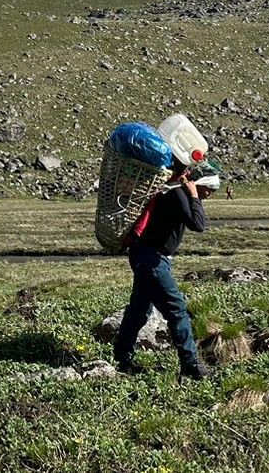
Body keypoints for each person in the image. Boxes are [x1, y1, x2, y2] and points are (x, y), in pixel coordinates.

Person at [113, 160, 219, 383]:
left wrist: (193, 195)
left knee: (139, 309)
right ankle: (190, 364)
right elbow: (198, 224)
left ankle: (122, 358)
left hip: (144, 256)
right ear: (197, 184)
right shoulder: (178, 194)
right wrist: (194, 196)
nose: (209, 194)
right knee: (177, 309)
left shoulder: (173, 192)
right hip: (152, 260)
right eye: (208, 189)